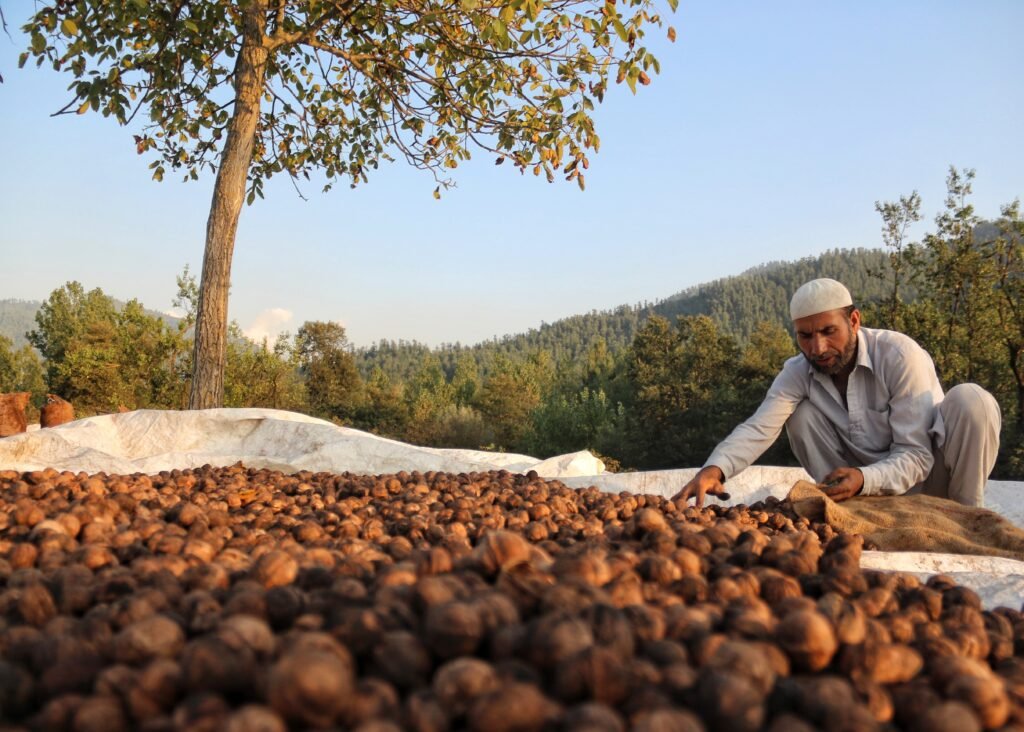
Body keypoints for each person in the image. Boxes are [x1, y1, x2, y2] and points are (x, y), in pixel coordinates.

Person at [672, 278, 1001, 509]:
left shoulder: (900, 356)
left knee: (973, 401)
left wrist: (863, 477)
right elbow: (759, 428)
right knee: (799, 416)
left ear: (854, 321)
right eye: (805, 336)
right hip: (861, 495)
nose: (818, 348)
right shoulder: (798, 371)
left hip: (932, 484)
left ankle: (968, 516)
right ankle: (850, 510)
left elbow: (916, 457)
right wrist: (713, 471)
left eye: (829, 331)